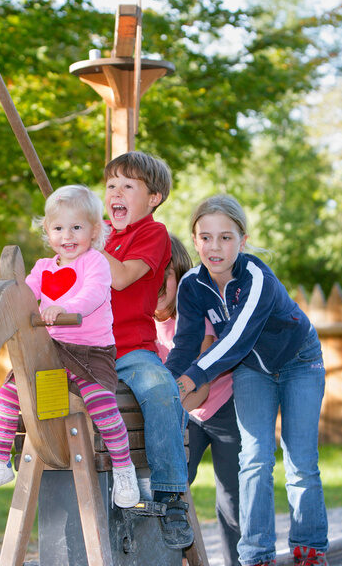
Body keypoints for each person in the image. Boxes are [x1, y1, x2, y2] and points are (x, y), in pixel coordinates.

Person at [164, 195, 329, 566]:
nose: (215, 246)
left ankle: (309, 548)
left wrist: (191, 379)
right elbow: (186, 342)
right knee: (254, 457)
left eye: (225, 237)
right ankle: (256, 556)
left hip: (299, 362)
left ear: (242, 239)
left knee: (300, 458)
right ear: (195, 240)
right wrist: (169, 382)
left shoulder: (256, 278)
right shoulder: (191, 285)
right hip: (253, 370)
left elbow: (236, 338)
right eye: (205, 237)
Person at [0, 184, 140, 509]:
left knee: (102, 404)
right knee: (10, 392)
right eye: (59, 228)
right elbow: (24, 297)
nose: (68, 235)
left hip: (90, 352)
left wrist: (63, 307)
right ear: (47, 231)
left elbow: (92, 295)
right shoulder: (43, 268)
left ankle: (124, 468)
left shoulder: (95, 263)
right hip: (52, 351)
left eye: (77, 227)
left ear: (94, 230)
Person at [102, 151, 193, 549]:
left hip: (131, 349)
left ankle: (171, 497)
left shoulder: (152, 235)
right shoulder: (97, 233)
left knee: (158, 388)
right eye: (110, 186)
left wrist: (88, 243)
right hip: (90, 348)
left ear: (154, 197)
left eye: (128, 186)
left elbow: (121, 279)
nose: (115, 193)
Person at [155, 234, 241, 566]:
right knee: (170, 486)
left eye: (165, 276)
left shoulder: (193, 314)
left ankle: (237, 561)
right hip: (186, 414)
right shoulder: (145, 324)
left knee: (231, 499)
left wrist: (163, 416)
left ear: (180, 273)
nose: (158, 285)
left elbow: (200, 387)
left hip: (223, 406)